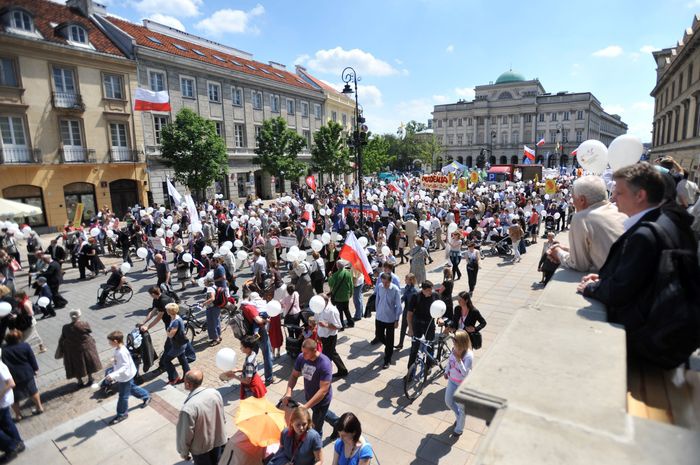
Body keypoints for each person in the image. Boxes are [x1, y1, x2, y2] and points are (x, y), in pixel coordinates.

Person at [577, 163, 698, 363]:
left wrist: (592, 287)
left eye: (619, 192)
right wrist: (608, 278)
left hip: (648, 343)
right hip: (671, 338)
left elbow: (618, 292)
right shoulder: (669, 219)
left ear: (640, 195)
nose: (613, 197)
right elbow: (644, 277)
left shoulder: (645, 235)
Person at [547, 176, 627, 272]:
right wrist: (568, 249)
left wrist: (558, 253)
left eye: (573, 199)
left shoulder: (581, 218)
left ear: (582, 200)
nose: (573, 203)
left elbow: (579, 264)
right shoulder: (619, 210)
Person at [282, 339, 339, 437]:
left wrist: (305, 407)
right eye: (302, 352)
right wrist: (288, 392)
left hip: (322, 401)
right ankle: (338, 423)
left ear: (314, 350)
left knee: (316, 429)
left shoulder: (325, 364)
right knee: (321, 414)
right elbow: (294, 375)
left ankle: (315, 448)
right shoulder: (301, 357)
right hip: (310, 397)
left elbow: (323, 390)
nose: (303, 355)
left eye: (306, 353)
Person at [176, 370, 227, 465]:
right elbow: (222, 416)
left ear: (188, 384)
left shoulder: (188, 408)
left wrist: (184, 452)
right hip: (218, 439)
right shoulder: (214, 393)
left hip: (201, 449)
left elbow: (185, 434)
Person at [105, 330, 151, 424]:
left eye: (110, 342)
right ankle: (146, 396)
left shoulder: (121, 351)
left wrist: (113, 375)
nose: (109, 343)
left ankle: (122, 414)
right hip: (126, 376)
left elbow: (125, 366)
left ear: (115, 341)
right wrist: (114, 360)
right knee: (132, 388)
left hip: (125, 376)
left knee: (123, 396)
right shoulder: (119, 349)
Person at [1, 330, 42, 421]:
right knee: (33, 391)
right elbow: (32, 358)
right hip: (27, 373)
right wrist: (35, 368)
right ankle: (39, 407)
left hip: (13, 376)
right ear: (19, 338)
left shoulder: (3, 350)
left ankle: (18, 415)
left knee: (15, 397)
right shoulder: (25, 345)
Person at [58, 309, 102, 387]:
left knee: (75, 364)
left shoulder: (65, 327)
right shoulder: (84, 324)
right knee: (87, 362)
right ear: (79, 316)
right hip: (85, 347)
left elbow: (64, 336)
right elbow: (89, 331)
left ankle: (79, 381)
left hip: (72, 349)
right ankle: (90, 378)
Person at [370, 272, 403, 369]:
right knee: (379, 336)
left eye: (386, 283)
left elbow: (399, 306)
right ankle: (389, 346)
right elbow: (377, 300)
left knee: (389, 339)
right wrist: (377, 312)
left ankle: (387, 359)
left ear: (390, 281)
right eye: (383, 282)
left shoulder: (395, 290)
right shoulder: (380, 287)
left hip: (390, 319)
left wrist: (397, 319)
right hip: (380, 317)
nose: (384, 284)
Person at [444, 330, 473, 437]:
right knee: (448, 401)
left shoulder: (469, 355)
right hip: (452, 381)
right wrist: (446, 371)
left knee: (462, 408)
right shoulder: (454, 349)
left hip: (462, 385)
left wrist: (458, 359)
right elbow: (450, 362)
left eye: (454, 339)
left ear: (461, 341)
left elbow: (465, 373)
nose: (453, 341)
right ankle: (458, 417)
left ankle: (459, 429)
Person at [406, 281, 439, 370]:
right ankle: (410, 372)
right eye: (428, 290)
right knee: (414, 349)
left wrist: (440, 318)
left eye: (431, 289)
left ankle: (428, 366)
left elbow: (439, 309)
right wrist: (410, 329)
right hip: (417, 325)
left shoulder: (435, 296)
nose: (430, 292)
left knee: (430, 347)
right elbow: (409, 314)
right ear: (423, 290)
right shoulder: (415, 296)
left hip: (429, 325)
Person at [316, 295, 348, 378]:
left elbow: (338, 326)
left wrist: (326, 325)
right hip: (323, 336)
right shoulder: (319, 308)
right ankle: (342, 370)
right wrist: (318, 335)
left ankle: (325, 374)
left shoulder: (332, 310)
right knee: (332, 354)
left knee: (326, 357)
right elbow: (318, 323)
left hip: (330, 337)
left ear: (325, 301)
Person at [0, 354, 24, 462]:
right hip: (3, 401)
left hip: (2, 401)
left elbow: (11, 383)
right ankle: (18, 443)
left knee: (6, 423)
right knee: (7, 423)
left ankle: (11, 447)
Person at [161, 303, 190, 385]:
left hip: (178, 346)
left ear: (169, 311)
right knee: (183, 359)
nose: (166, 311)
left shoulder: (175, 322)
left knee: (166, 361)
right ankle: (187, 376)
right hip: (180, 344)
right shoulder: (175, 317)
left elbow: (170, 335)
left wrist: (167, 331)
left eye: (167, 310)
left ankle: (174, 378)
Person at [328, 260, 354, 329]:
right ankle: (351, 322)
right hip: (346, 296)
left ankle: (342, 325)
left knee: (339, 312)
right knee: (346, 310)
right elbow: (351, 284)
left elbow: (330, 284)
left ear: (337, 266)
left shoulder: (335, 275)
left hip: (338, 297)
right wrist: (351, 293)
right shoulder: (348, 273)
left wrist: (330, 276)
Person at [395, 273, 418, 351]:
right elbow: (404, 297)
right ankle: (400, 343)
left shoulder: (414, 291)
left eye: (406, 279)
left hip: (411, 312)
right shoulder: (407, 287)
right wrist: (399, 301)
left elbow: (414, 303)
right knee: (403, 328)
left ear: (410, 280)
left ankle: (414, 345)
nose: (404, 280)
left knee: (411, 329)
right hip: (406, 310)